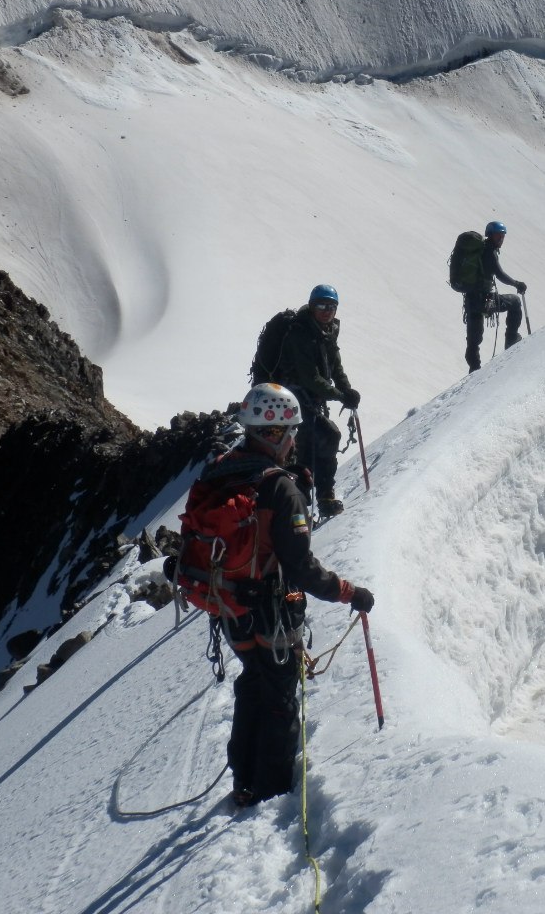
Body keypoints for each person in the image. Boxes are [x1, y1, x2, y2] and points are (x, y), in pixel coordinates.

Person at [208, 383, 375, 807]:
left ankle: (244, 778)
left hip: (229, 607)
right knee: (280, 693)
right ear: (275, 432)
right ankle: (270, 788)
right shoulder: (278, 487)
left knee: (253, 681)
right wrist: (348, 592)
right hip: (272, 610)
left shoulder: (222, 469)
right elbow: (301, 566)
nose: (295, 438)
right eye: (291, 431)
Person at [271, 284, 360, 517]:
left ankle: (315, 496)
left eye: (331, 306)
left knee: (320, 440)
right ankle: (308, 497)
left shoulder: (328, 330)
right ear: (312, 306)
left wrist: (347, 390)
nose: (326, 310)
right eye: (321, 305)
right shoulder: (300, 333)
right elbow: (308, 377)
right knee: (316, 440)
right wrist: (341, 396)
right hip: (292, 398)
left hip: (310, 398)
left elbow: (335, 367)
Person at [463, 220, 527, 373]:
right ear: (490, 235)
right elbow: (499, 275)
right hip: (486, 301)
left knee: (473, 340)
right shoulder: (489, 252)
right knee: (515, 302)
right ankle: (511, 339)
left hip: (471, 301)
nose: (501, 239)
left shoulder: (480, 250)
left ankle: (474, 369)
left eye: (502, 236)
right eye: (498, 236)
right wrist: (517, 284)